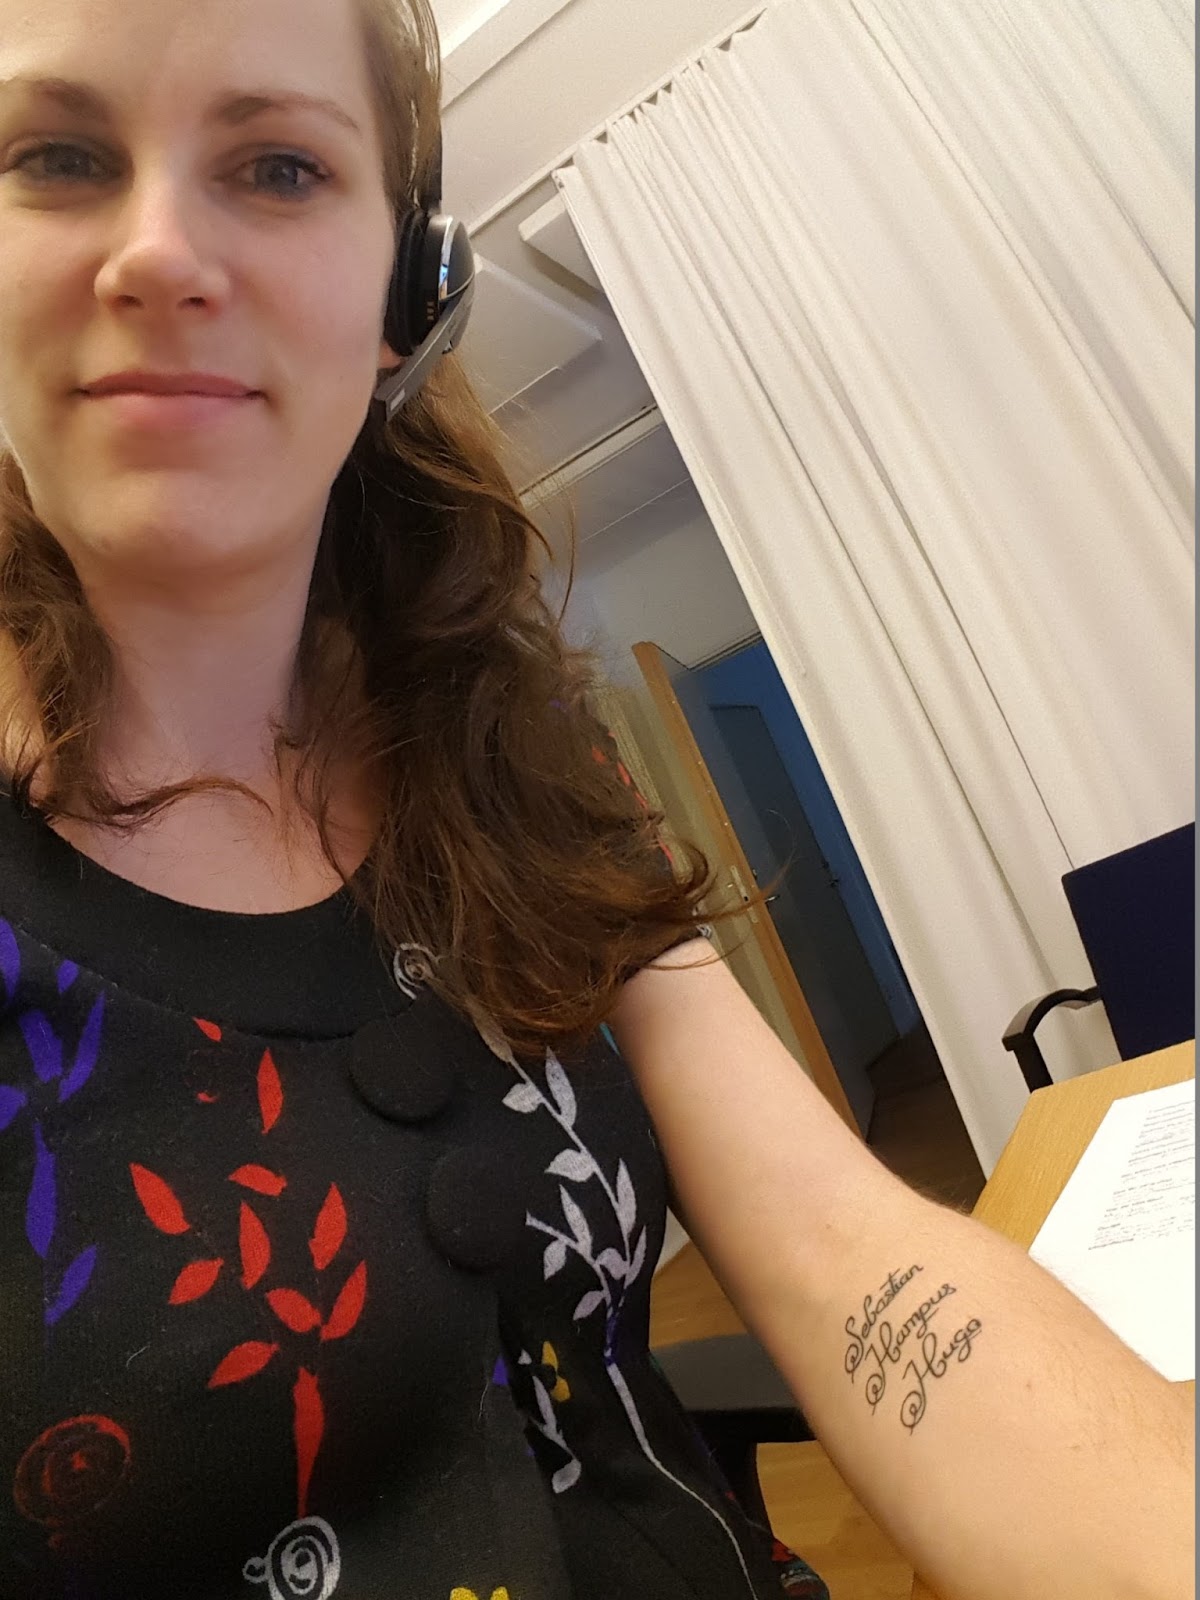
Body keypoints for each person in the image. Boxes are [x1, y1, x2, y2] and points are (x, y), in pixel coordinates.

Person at [0, 0, 1191, 1597]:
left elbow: (841, 1243)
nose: (157, 253)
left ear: (410, 295)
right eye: (56, 156)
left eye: (278, 167)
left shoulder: (507, 747)